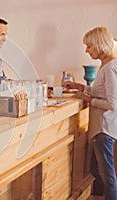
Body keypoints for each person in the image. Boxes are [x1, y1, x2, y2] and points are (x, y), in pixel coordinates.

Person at [63, 27, 117, 200]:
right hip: (101, 129)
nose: (86, 50)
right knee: (95, 170)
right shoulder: (106, 65)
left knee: (108, 177)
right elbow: (101, 91)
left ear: (100, 45)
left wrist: (87, 99)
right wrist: (81, 87)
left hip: (105, 130)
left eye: (89, 46)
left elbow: (113, 104)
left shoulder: (110, 68)